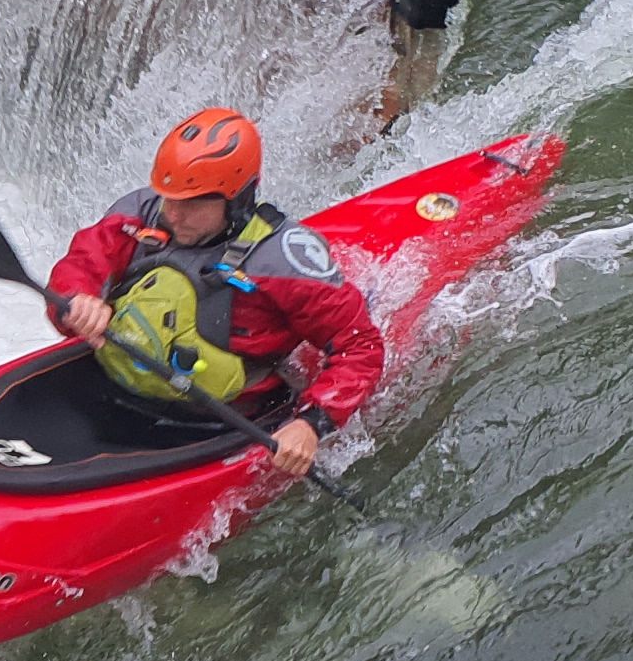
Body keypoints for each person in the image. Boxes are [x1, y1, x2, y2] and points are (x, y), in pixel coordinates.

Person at [46, 107, 382, 478]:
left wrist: (312, 423)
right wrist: (77, 300)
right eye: (169, 196)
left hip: (220, 419)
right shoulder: (137, 215)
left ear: (237, 200)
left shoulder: (283, 263)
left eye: (192, 202)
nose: (173, 214)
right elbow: (80, 265)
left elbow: (360, 347)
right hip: (115, 385)